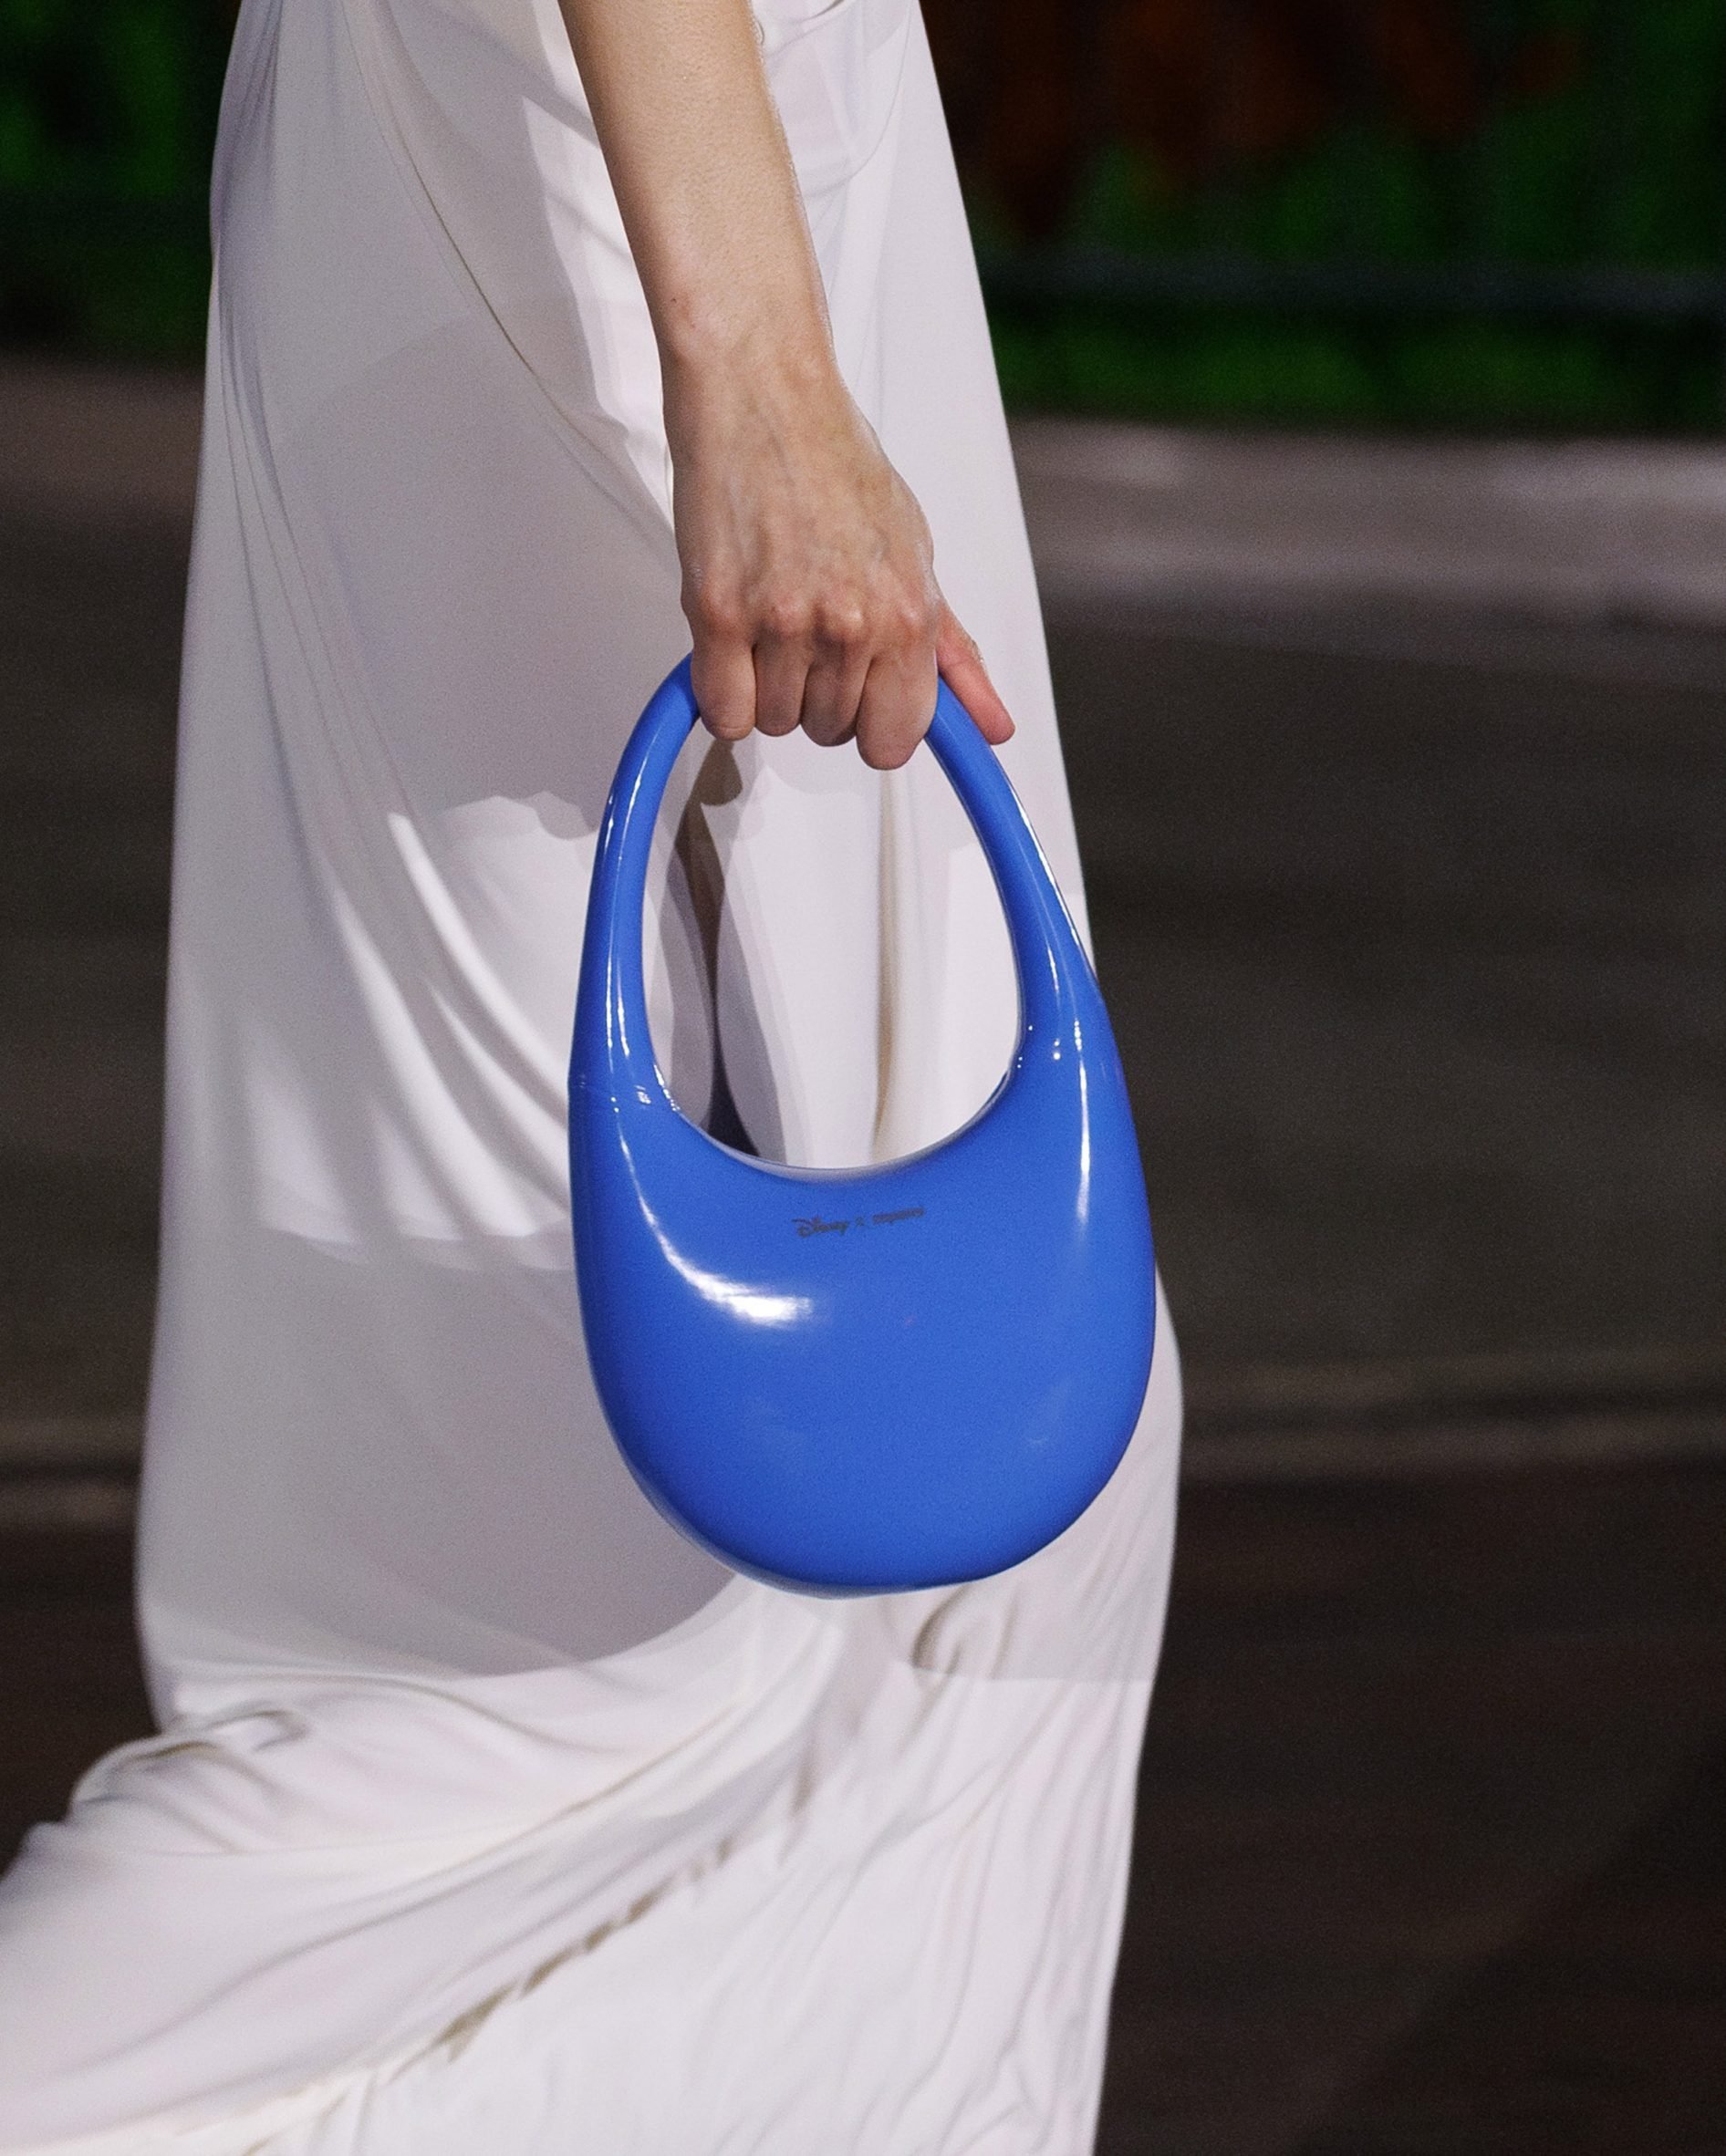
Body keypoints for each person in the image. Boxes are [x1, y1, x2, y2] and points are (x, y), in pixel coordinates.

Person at [0, 0, 1182, 2147]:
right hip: (624, 180)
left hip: (640, 151)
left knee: (812, 1563)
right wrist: (756, 367)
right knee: (586, 1640)